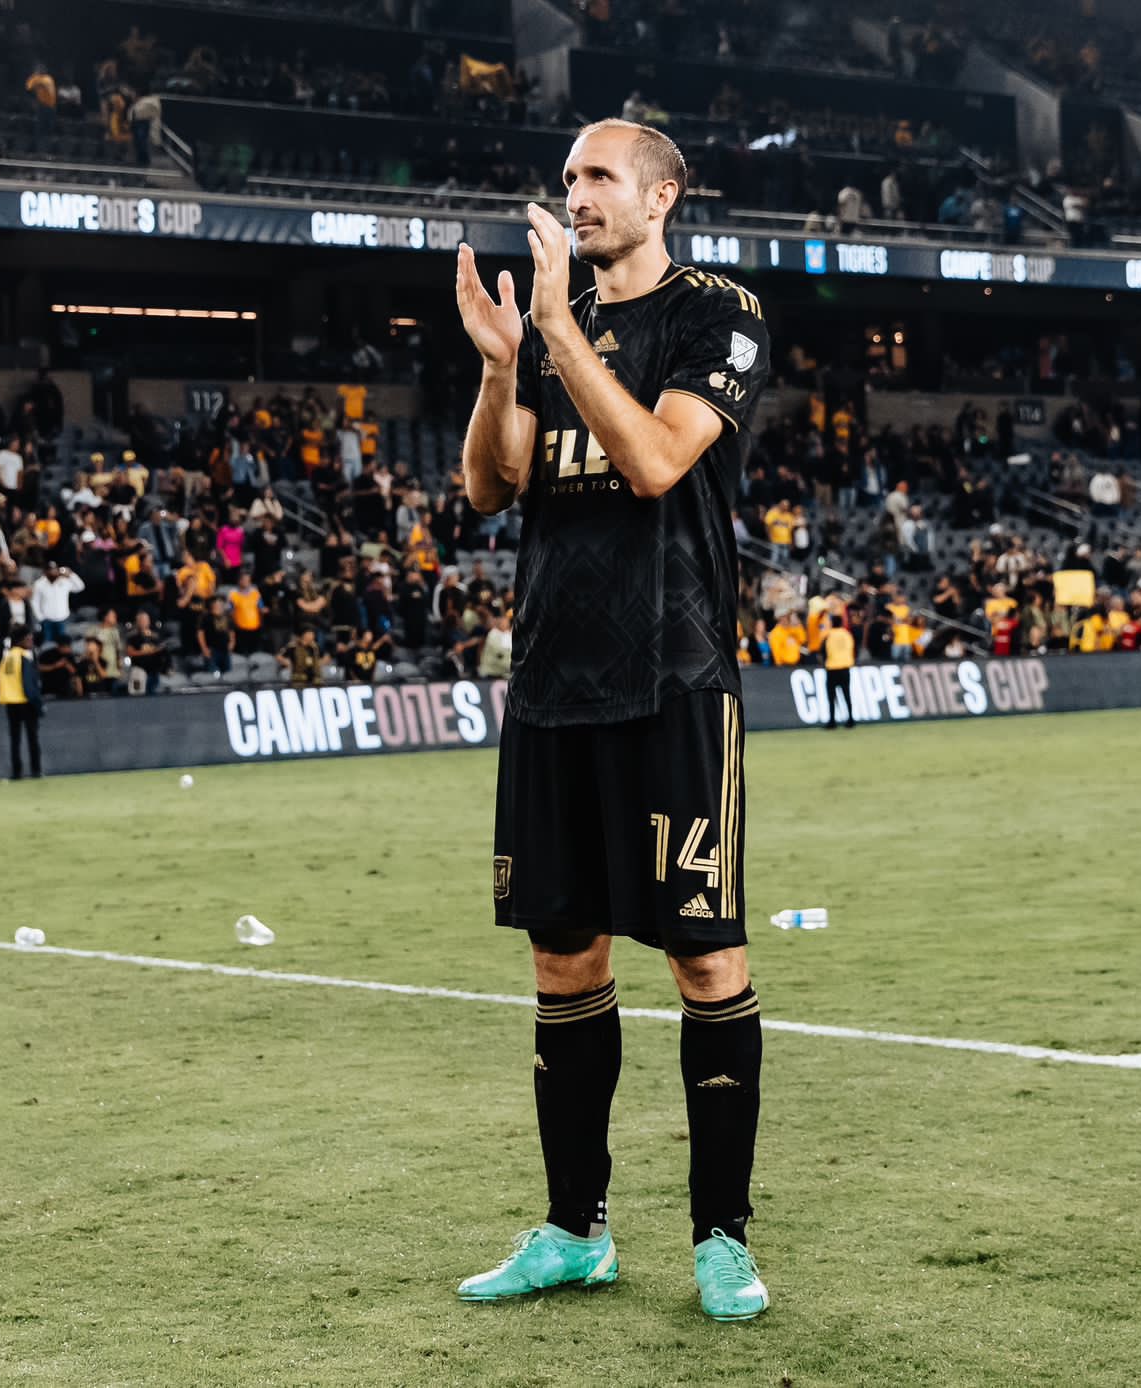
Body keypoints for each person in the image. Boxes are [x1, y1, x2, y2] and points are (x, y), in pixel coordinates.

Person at [454, 117, 773, 1320]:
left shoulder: (717, 313)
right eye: (568, 177)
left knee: (701, 954)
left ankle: (721, 1237)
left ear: (661, 195)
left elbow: (649, 460)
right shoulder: (547, 327)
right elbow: (493, 483)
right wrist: (499, 369)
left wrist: (553, 334)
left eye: (597, 178)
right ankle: (572, 1226)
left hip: (674, 679)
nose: (574, 195)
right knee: (560, 956)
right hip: (550, 679)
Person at [0, 624, 44, 780]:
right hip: (25, 701)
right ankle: (36, 770)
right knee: (32, 738)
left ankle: (17, 772)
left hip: (10, 702)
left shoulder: (7, 657)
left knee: (15, 740)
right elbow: (29, 683)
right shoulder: (24, 657)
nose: (31, 640)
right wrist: (38, 704)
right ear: (20, 639)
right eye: (28, 637)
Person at [821, 612, 857, 728]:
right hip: (845, 667)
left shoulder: (828, 634)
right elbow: (853, 648)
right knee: (847, 694)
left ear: (831, 623)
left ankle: (832, 721)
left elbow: (823, 650)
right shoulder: (847, 634)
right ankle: (850, 719)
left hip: (832, 667)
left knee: (831, 697)